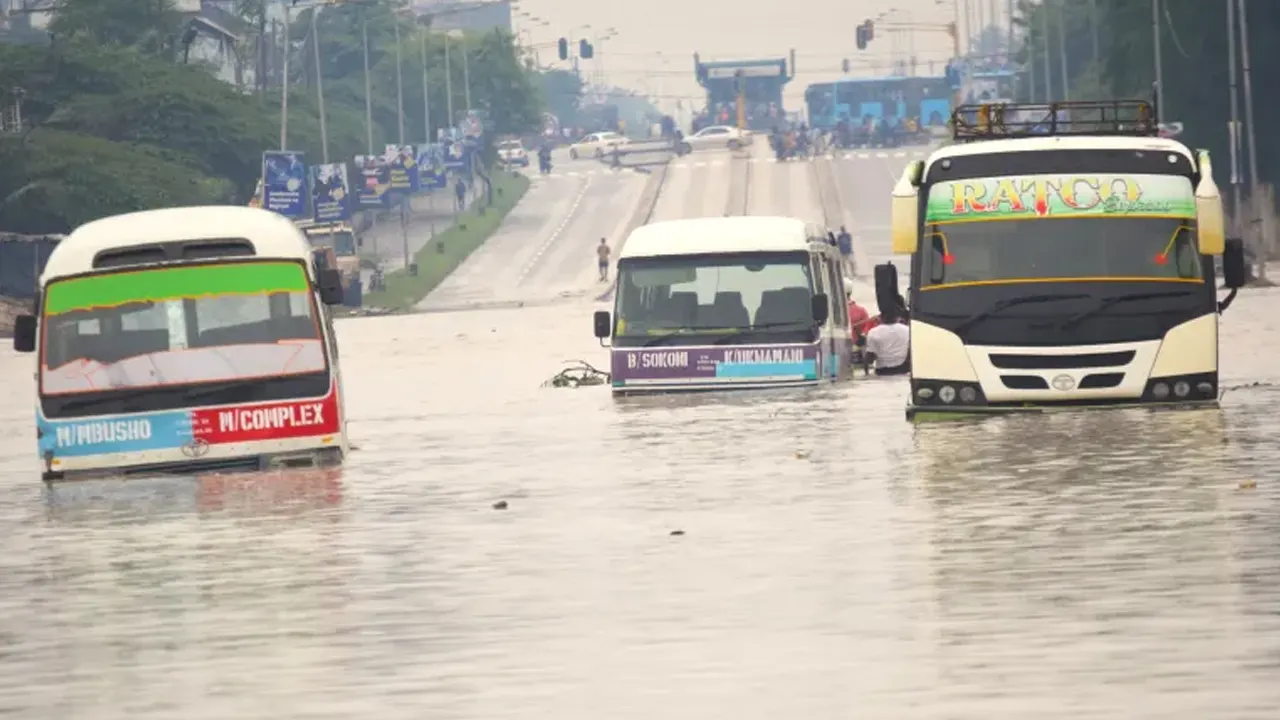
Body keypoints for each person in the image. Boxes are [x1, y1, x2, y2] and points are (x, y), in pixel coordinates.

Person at [864, 311, 910, 376]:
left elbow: (869, 357)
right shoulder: (907, 330)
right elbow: (911, 351)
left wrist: (866, 373)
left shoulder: (873, 332)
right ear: (898, 318)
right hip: (903, 368)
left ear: (880, 318)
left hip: (882, 370)